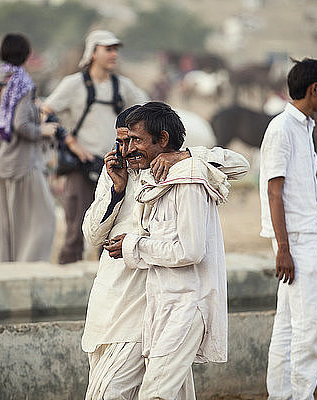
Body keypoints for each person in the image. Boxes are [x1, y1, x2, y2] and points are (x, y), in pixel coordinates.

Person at [82, 104, 249, 399]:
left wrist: (184, 156)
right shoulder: (114, 175)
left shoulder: (178, 171)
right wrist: (117, 192)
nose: (126, 150)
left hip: (160, 303)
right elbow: (93, 234)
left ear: (159, 139)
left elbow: (239, 165)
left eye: (133, 140)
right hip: (116, 301)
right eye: (121, 142)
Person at [259, 58, 317, 400]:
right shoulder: (281, 129)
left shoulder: (304, 127)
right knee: (307, 331)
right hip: (296, 242)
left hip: (304, 237)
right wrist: (284, 248)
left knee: (289, 328)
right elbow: (274, 191)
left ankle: (283, 396)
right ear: (313, 89)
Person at [43, 29, 148, 264]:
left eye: (115, 50)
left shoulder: (123, 86)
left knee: (113, 230)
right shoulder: (73, 84)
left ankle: (106, 285)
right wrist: (70, 141)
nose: (114, 55)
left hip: (116, 166)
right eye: (108, 49)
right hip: (81, 165)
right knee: (75, 231)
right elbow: (45, 111)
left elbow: (147, 110)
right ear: (93, 53)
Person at [0, 33, 58, 262]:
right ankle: (28, 267)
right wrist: (43, 131)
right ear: (26, 55)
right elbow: (21, 125)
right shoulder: (23, 83)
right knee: (43, 219)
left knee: (2, 223)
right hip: (23, 162)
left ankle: (0, 267)